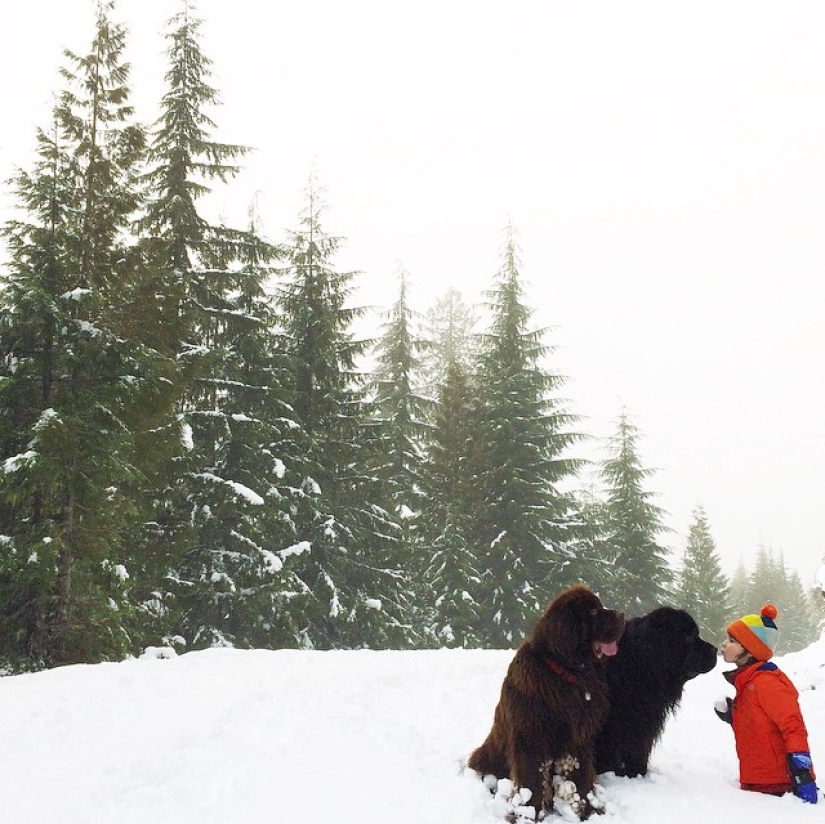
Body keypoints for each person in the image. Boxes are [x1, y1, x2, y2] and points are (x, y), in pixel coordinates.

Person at [715, 604, 818, 803]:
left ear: (750, 650)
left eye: (732, 641)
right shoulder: (748, 682)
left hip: (780, 788)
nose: (724, 645)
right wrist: (733, 717)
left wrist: (802, 771)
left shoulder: (767, 682)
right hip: (758, 784)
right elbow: (760, 727)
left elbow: (793, 725)